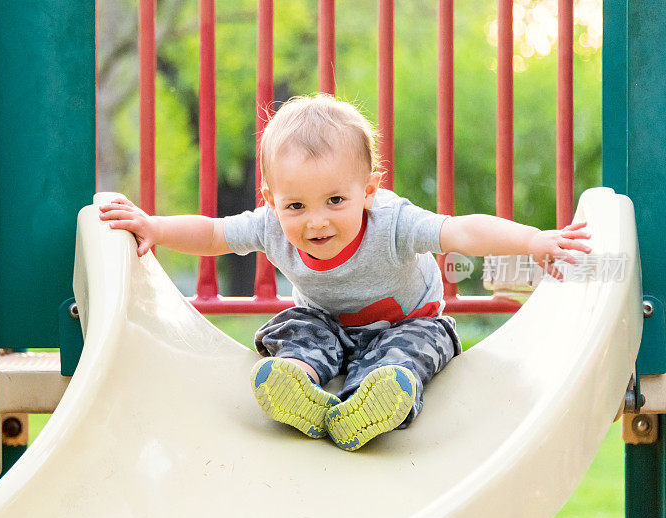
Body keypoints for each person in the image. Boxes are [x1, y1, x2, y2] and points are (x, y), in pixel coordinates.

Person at [98, 94, 591, 451]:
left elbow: (462, 232)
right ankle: (298, 381)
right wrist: (154, 227)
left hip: (408, 321)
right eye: (296, 205)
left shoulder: (392, 223)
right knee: (300, 329)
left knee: (414, 350)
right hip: (329, 321)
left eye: (336, 200)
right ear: (271, 201)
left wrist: (533, 241)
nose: (316, 220)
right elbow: (211, 235)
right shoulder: (271, 226)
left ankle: (376, 398)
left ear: (368, 190)